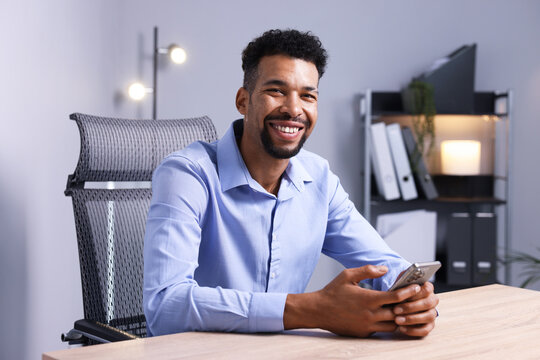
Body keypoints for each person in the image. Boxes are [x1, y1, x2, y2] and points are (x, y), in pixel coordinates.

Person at [143, 29, 438, 339]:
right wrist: (311, 310)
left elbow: (383, 263)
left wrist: (415, 301)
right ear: (243, 101)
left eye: (308, 95)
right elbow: (166, 307)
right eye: (277, 90)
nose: (294, 109)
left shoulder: (319, 178)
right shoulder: (187, 174)